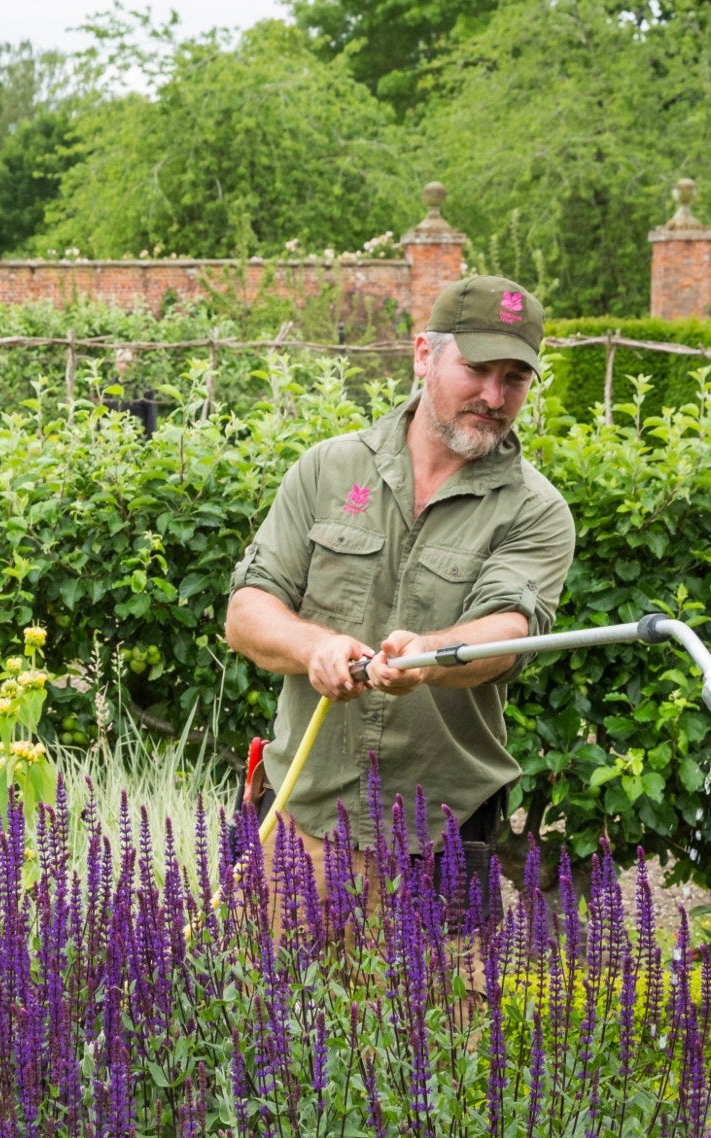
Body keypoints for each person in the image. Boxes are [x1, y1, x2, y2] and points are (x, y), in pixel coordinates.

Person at [224, 274, 575, 885]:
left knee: (441, 987)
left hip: (440, 836)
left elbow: (510, 629)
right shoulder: (327, 470)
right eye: (477, 369)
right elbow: (247, 612)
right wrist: (317, 648)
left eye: (514, 378)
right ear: (423, 356)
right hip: (301, 818)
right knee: (269, 982)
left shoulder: (535, 511)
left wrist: (429, 656)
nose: (494, 396)